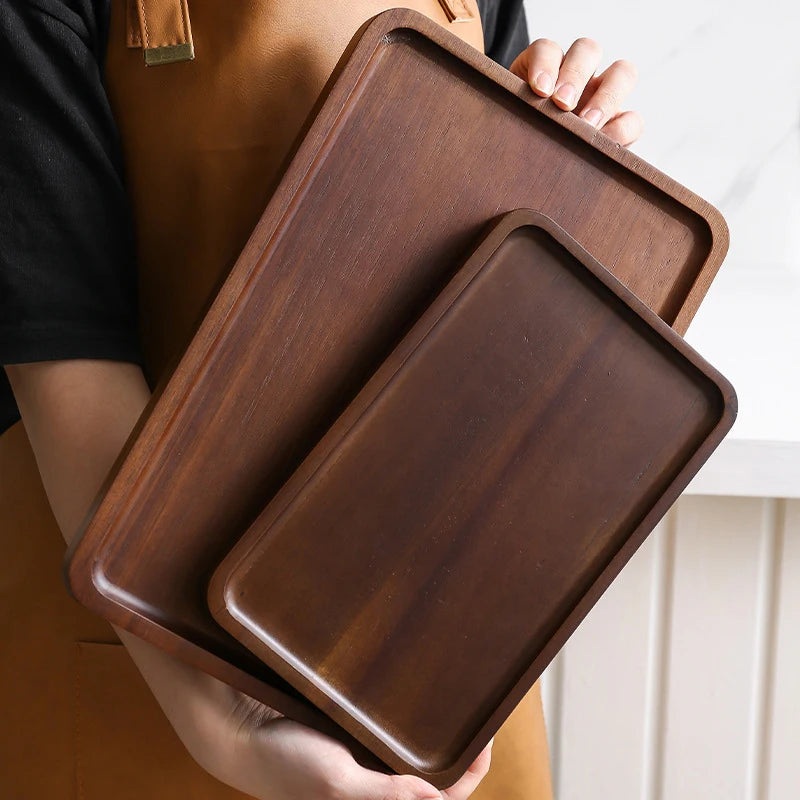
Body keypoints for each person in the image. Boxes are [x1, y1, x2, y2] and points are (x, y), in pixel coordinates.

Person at [0, 1, 642, 798]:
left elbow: (501, 320)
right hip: (150, 676)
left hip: (441, 689)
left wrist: (578, 160)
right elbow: (64, 353)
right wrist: (228, 730)